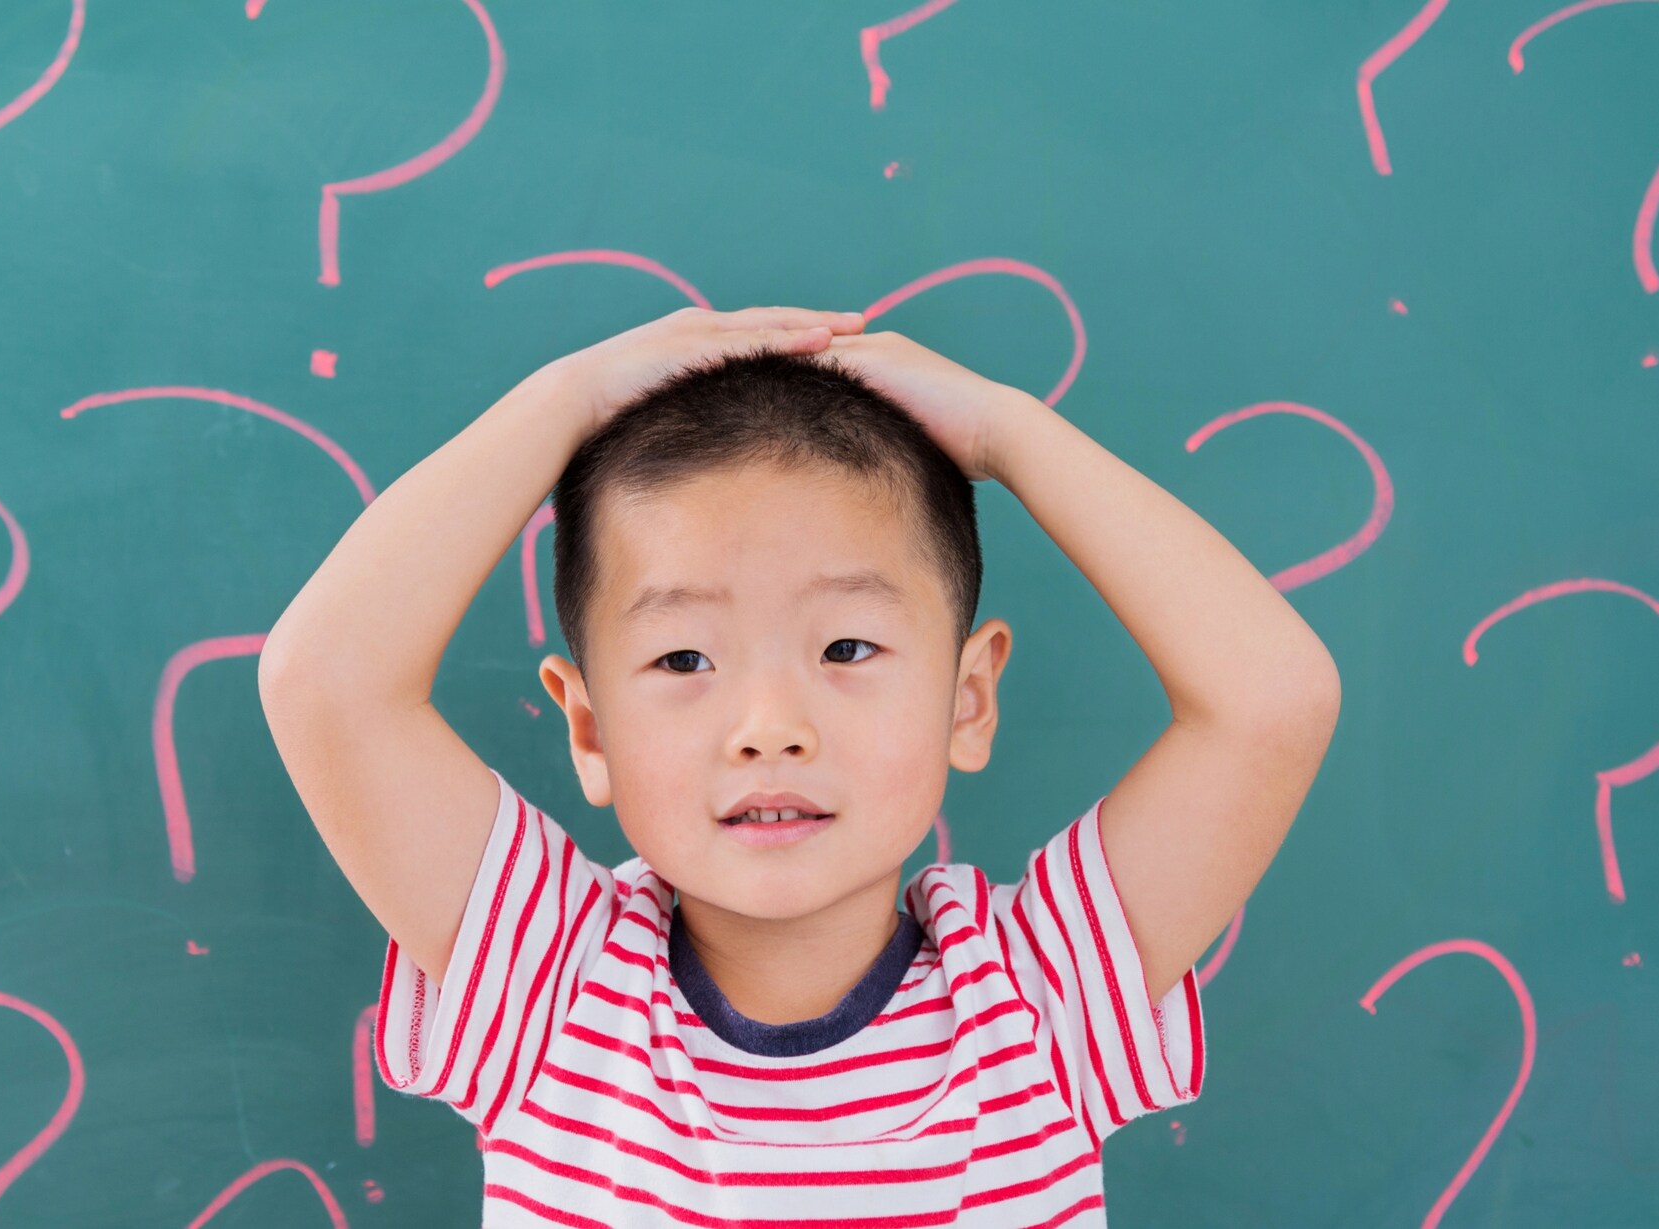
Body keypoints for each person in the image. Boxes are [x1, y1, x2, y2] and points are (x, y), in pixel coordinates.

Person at [257, 306, 1340, 1225]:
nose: (768, 725)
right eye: (683, 657)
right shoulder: (550, 986)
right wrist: (570, 398)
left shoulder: (1037, 996)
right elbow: (326, 682)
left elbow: (1269, 702)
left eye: (846, 648)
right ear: (588, 732)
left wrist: (1010, 433)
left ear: (966, 699)